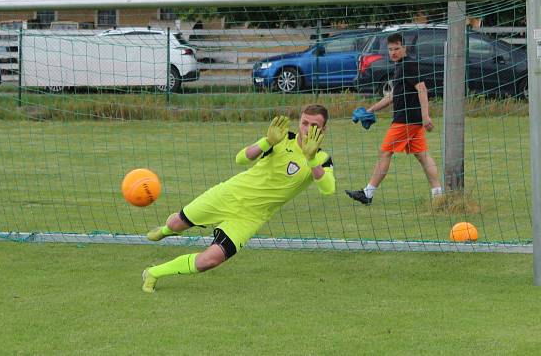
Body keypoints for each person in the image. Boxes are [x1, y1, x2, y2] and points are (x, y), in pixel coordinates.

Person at [141, 104, 336, 293]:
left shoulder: (323, 159)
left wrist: (311, 159)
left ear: (324, 129)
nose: (307, 129)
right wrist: (266, 142)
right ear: (299, 122)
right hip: (229, 194)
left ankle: (152, 273)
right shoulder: (281, 139)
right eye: (304, 123)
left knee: (209, 261)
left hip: (251, 217)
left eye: (314, 126)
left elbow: (328, 189)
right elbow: (241, 158)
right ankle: (166, 231)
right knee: (176, 224)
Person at [345, 33, 441, 205]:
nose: (393, 52)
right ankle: (438, 195)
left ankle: (368, 193)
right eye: (390, 49)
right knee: (423, 156)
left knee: (385, 152)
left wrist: (426, 116)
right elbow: (391, 96)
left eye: (397, 48)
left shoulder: (409, 65)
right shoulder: (400, 66)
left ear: (404, 48)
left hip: (405, 120)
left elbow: (422, 89)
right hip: (410, 120)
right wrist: (370, 110)